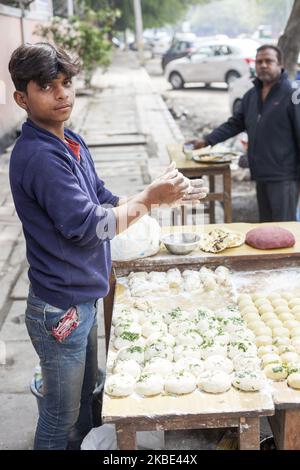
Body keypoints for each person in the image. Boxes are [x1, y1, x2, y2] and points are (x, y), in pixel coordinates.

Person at [8, 42, 208, 450]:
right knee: (58, 417)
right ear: (21, 97)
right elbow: (90, 226)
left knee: (86, 399)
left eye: (66, 83)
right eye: (47, 86)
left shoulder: (70, 142)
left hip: (82, 296)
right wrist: (150, 200)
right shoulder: (40, 157)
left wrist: (161, 195)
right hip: (60, 308)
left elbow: (103, 197)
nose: (62, 93)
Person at [187, 45, 300, 222]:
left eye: (269, 61)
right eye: (259, 61)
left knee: (284, 231)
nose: (263, 65)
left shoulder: (293, 94)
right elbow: (235, 124)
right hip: (260, 173)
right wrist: (207, 140)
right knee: (266, 228)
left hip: (284, 177)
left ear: (281, 64)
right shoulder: (251, 96)